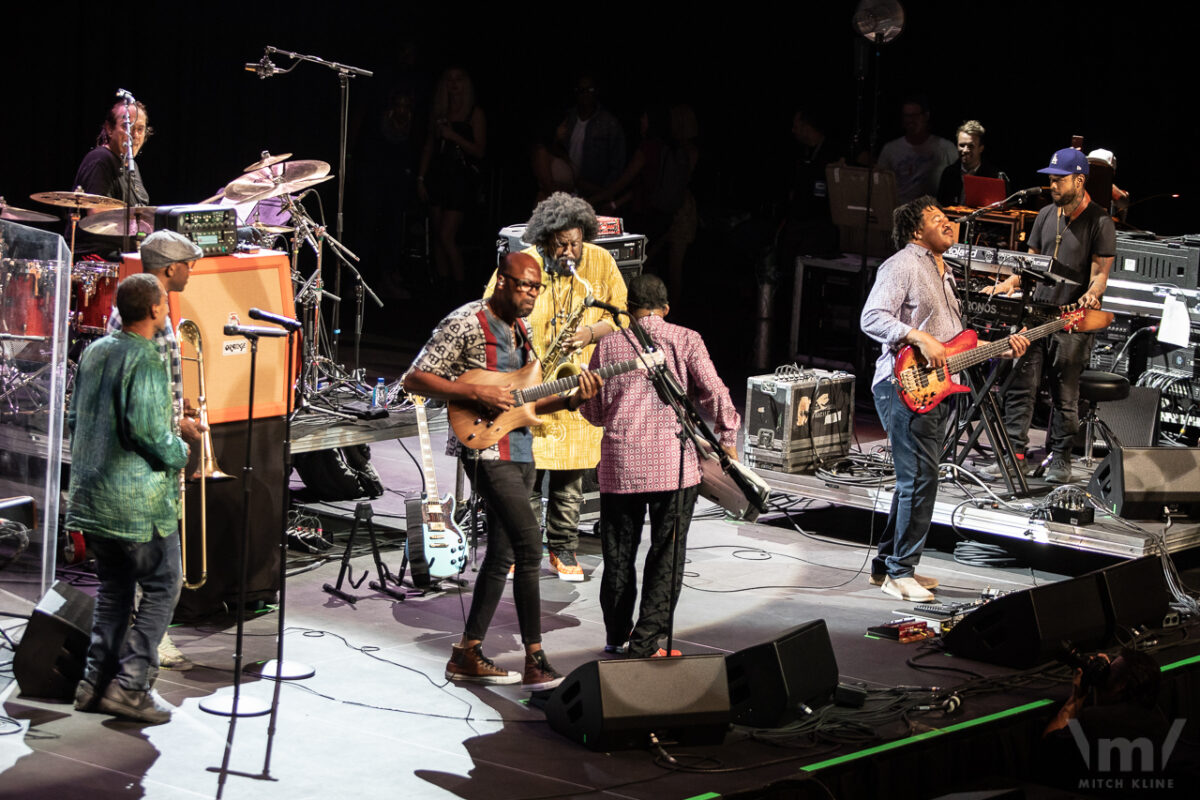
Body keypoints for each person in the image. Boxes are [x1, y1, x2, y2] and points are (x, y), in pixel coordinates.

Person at [403, 252, 602, 690]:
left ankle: (466, 653)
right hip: (484, 449)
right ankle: (535, 659)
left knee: (502, 553)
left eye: (537, 288)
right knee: (531, 547)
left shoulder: (524, 332)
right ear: (501, 282)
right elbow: (414, 379)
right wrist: (472, 390)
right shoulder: (464, 322)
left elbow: (526, 403)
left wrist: (572, 399)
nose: (532, 294)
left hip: (522, 446)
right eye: (525, 286)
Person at [861, 196, 1028, 602]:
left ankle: (887, 566)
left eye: (949, 218)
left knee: (912, 480)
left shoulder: (944, 271)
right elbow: (872, 317)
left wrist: (999, 347)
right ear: (918, 231)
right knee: (920, 478)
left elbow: (954, 343)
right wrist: (917, 336)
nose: (950, 224)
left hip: (933, 388)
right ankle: (902, 571)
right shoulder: (902, 264)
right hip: (903, 385)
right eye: (939, 220)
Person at [579, 274, 741, 658]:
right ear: (666, 308)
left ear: (627, 309)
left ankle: (616, 636)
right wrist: (728, 439)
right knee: (666, 555)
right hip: (674, 465)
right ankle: (647, 642)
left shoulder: (608, 344)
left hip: (620, 465)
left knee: (618, 554)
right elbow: (715, 392)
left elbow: (596, 412)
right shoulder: (685, 338)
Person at [68, 274, 192, 724]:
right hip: (135, 506)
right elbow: (146, 433)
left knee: (114, 591)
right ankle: (131, 685)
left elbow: (77, 418)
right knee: (163, 585)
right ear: (156, 309)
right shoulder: (146, 360)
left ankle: (92, 685)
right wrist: (182, 447)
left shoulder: (94, 350)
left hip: (91, 499)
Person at [486, 193, 628, 581]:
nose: (570, 251)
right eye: (561, 244)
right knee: (527, 474)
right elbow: (489, 310)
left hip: (576, 383)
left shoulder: (599, 261)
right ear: (544, 241)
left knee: (570, 477)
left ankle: (563, 546)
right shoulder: (523, 263)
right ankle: (523, 547)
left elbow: (622, 318)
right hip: (529, 382)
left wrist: (589, 332)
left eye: (576, 243)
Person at [985, 148, 1115, 484]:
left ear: (1079, 180)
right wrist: (1006, 284)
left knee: (1065, 394)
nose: (1052, 185)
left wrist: (1092, 293)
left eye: (1059, 180)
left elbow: (1101, 273)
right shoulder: (1044, 214)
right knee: (1020, 387)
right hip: (1037, 313)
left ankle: (1061, 458)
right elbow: (1029, 266)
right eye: (1051, 180)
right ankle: (1014, 454)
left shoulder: (1100, 220)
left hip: (1072, 319)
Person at [106, 230, 205, 670]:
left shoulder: (133, 310)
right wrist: (181, 430)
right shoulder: (155, 316)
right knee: (157, 560)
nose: (192, 270)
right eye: (188, 264)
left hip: (139, 454)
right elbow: (141, 397)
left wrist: (177, 399)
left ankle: (118, 645)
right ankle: (153, 639)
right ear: (169, 269)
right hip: (151, 458)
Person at [417, 66, 487, 297]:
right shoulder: (440, 112)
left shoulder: (474, 113)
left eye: (459, 79)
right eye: (449, 80)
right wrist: (421, 177)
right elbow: (428, 145)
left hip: (460, 180)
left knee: (447, 236)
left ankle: (461, 291)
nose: (453, 84)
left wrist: (453, 135)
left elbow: (479, 150)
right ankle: (442, 288)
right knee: (438, 236)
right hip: (439, 176)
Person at [71, 98, 153, 259]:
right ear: (109, 129)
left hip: (123, 252)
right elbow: (97, 213)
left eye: (140, 129)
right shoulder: (101, 159)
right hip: (96, 256)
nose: (134, 136)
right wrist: (141, 216)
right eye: (127, 128)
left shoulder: (131, 165)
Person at [876, 96, 957, 204]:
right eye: (906, 116)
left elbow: (959, 179)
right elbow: (880, 183)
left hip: (933, 211)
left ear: (926, 116)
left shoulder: (945, 147)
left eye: (914, 116)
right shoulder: (890, 149)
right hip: (900, 211)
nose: (910, 120)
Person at [564, 74, 626, 197]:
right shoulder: (567, 118)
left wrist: (605, 194)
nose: (586, 94)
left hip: (593, 194)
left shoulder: (609, 123)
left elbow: (617, 164)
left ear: (596, 92)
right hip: (565, 190)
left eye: (590, 90)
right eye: (582, 90)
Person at [936, 120, 1010, 207]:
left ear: (981, 148)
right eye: (962, 145)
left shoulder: (994, 176)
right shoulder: (949, 173)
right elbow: (941, 205)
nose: (965, 150)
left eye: (971, 146)